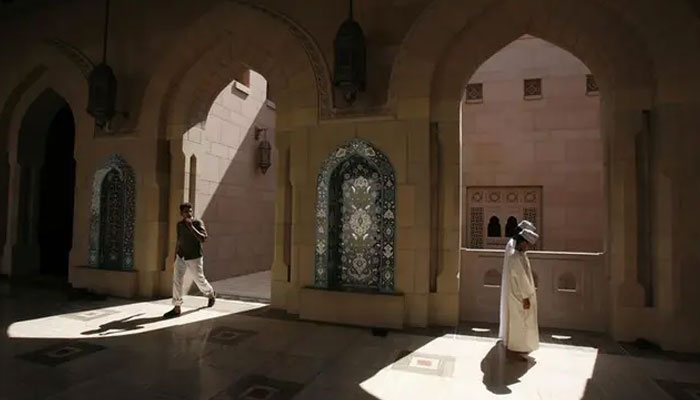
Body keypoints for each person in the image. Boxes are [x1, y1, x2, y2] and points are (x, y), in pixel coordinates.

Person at [163, 202, 216, 318]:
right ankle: (177, 307)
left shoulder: (197, 223)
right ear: (181, 213)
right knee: (177, 280)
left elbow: (203, 238)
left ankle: (210, 293)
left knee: (199, 280)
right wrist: (174, 257)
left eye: (190, 211)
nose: (189, 213)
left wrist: (191, 227)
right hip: (181, 256)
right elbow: (179, 240)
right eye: (186, 211)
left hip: (194, 257)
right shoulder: (179, 225)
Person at [499, 228, 540, 361]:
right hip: (519, 296)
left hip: (521, 295)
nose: (527, 247)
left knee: (522, 321)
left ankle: (521, 347)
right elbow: (521, 279)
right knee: (521, 322)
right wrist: (526, 297)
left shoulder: (521, 256)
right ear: (522, 242)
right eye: (526, 244)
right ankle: (519, 347)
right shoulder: (515, 258)